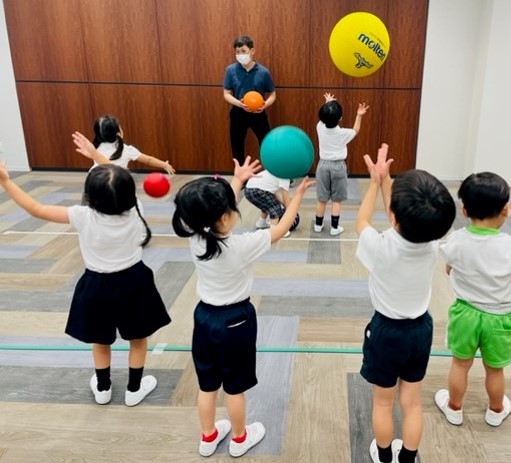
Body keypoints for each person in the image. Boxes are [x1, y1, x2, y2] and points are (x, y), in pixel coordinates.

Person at [172, 157, 314, 458]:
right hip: (236, 320)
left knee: (207, 385)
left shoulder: (196, 236)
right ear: (225, 217)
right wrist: (297, 196)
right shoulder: (242, 246)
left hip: (204, 317)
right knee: (234, 388)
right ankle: (239, 439)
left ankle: (208, 437)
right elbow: (281, 228)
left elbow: (213, 210)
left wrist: (237, 181)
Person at [0, 158, 171, 407]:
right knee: (138, 338)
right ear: (129, 194)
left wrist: (5, 180)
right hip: (135, 283)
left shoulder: (82, 215)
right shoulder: (137, 210)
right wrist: (102, 158)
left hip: (96, 286)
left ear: (89, 196)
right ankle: (134, 389)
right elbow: (120, 181)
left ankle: (103, 388)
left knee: (100, 340)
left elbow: (35, 209)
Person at [355, 144, 456, 463]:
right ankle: (408, 458)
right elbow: (399, 217)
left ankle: (384, 457)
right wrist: (387, 182)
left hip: (386, 332)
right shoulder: (431, 245)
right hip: (421, 330)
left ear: (394, 216)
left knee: (383, 403)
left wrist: (375, 182)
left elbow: (361, 222)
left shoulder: (380, 246)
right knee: (411, 402)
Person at [435, 171, 511, 427]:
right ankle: (496, 410)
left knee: (460, 364)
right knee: (495, 368)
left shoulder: (456, 240)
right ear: (505, 210)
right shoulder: (509, 246)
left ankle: (454, 408)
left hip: (465, 313)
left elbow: (448, 266)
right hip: (499, 318)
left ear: (464, 210)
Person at [314, 93, 369, 236]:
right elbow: (356, 130)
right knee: (337, 200)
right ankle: (334, 228)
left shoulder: (319, 127)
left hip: (322, 166)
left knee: (322, 198)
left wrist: (328, 102)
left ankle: (318, 225)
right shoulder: (344, 133)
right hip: (338, 166)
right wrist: (359, 115)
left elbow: (323, 117)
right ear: (340, 119)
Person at [223, 36, 276, 165]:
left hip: (258, 113)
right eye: (237, 52)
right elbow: (226, 94)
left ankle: (276, 173)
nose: (240, 54)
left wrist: (264, 105)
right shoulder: (230, 70)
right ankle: (241, 179)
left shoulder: (263, 72)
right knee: (237, 147)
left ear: (252, 51)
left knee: (267, 144)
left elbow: (273, 94)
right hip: (238, 113)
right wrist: (239, 104)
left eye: (244, 51)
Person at [88, 115, 175, 175]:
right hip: (116, 182)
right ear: (119, 133)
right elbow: (149, 160)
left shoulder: (95, 147)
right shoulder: (127, 150)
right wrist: (164, 165)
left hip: (93, 180)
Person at [244, 169, 291, 236]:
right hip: (256, 190)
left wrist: (284, 205)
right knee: (275, 208)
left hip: (248, 189)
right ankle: (275, 231)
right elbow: (285, 196)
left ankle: (261, 223)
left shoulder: (274, 171)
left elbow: (274, 195)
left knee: (267, 204)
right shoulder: (285, 177)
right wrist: (291, 212)